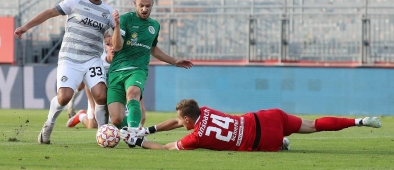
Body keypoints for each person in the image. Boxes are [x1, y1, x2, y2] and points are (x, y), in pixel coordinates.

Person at [14, 0, 115, 144]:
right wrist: (25, 27)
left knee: (101, 95)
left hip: (92, 59)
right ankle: (48, 126)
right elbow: (49, 12)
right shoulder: (75, 2)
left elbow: (119, 36)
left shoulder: (108, 12)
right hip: (70, 57)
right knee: (64, 97)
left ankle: (102, 135)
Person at [122, 99, 382, 151]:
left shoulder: (196, 138)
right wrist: (149, 128)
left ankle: (281, 143)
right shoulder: (207, 110)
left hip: (262, 141)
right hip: (267, 117)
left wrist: (141, 140)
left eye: (182, 121)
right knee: (314, 125)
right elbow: (179, 121)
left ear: (188, 120)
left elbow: (167, 147)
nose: (180, 123)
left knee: (274, 144)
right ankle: (359, 120)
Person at [108, 0, 193, 131]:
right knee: (116, 119)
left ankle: (133, 132)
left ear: (153, 4)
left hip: (137, 69)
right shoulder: (125, 19)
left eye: (148, 5)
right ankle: (128, 132)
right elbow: (117, 46)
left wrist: (174, 61)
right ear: (135, 3)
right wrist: (116, 27)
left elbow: (152, 49)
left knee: (133, 93)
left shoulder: (154, 26)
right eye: (141, 5)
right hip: (117, 70)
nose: (144, 9)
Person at [66, 37, 147, 128]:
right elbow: (88, 85)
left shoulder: (124, 63)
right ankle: (81, 116)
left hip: (118, 94)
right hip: (99, 95)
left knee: (122, 120)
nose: (112, 48)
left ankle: (131, 132)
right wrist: (93, 107)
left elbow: (135, 86)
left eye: (114, 45)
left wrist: (141, 107)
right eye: (109, 45)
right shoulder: (99, 62)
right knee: (92, 125)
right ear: (105, 47)